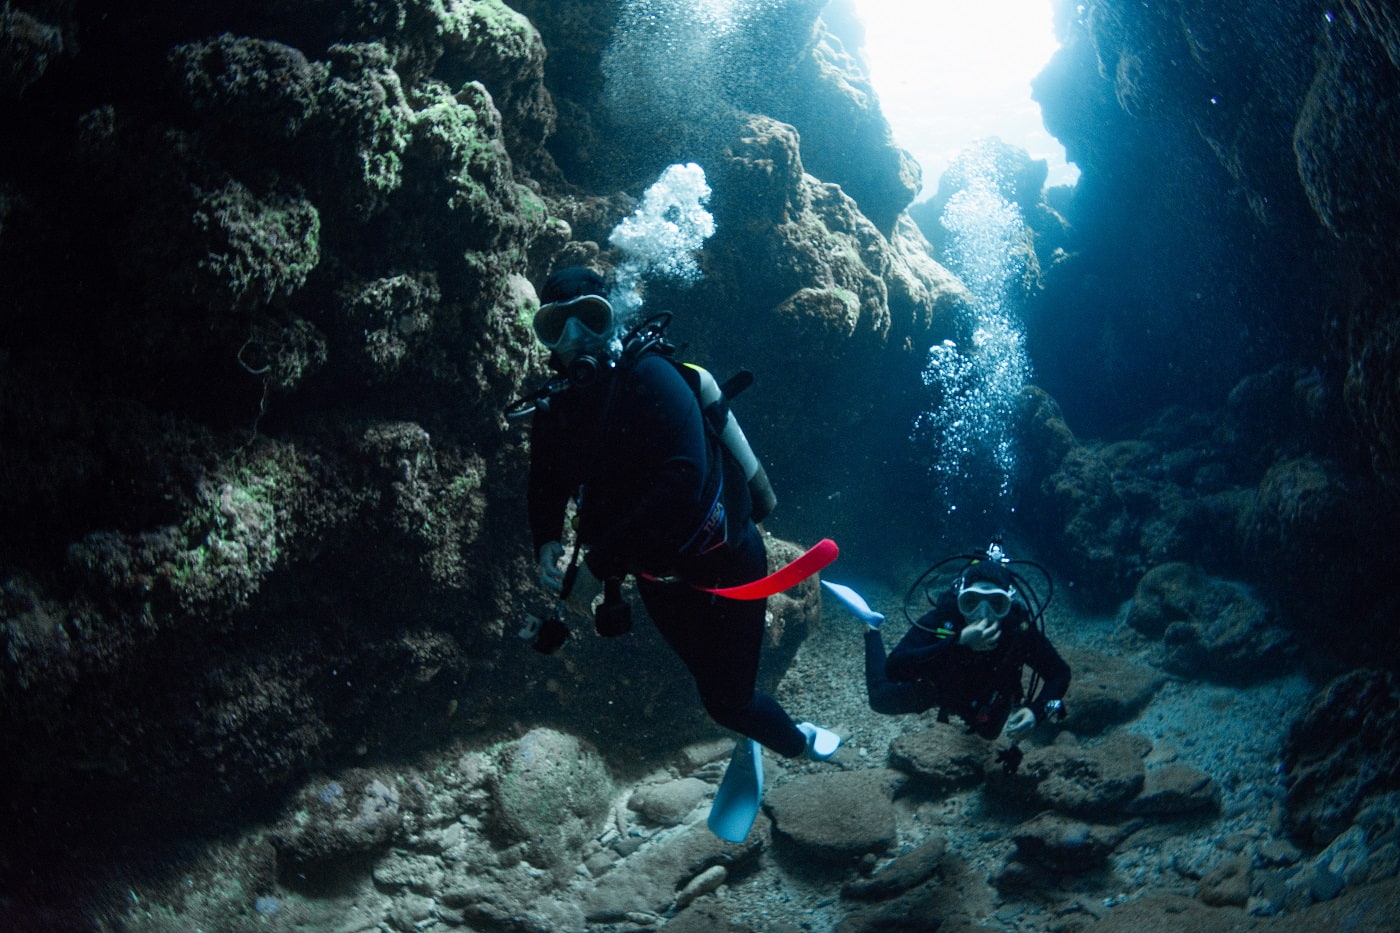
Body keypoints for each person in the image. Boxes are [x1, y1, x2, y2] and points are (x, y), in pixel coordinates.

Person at [523, 265, 838, 762]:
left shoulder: (653, 377)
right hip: (659, 580)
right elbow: (544, 482)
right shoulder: (555, 411)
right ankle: (754, 727)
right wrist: (545, 538)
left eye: (589, 318)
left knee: (727, 702)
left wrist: (595, 565)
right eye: (557, 326)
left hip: (730, 562)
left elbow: (684, 481)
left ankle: (802, 745)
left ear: (613, 320)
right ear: (544, 337)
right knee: (712, 686)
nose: (576, 338)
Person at [830, 549, 1070, 743]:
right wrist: (958, 643)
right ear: (961, 600)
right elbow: (894, 668)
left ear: (1008, 604)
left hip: (989, 695)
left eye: (996, 603)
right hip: (939, 687)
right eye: (972, 602)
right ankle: (872, 627)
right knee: (880, 699)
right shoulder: (946, 617)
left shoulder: (1017, 630)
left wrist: (1036, 712)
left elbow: (1059, 673)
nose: (983, 614)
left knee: (988, 735)